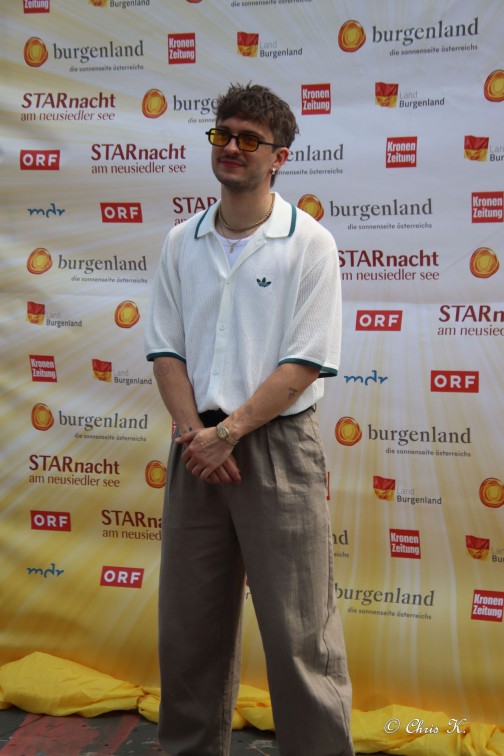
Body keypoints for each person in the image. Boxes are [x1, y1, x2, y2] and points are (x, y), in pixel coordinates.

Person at [145, 82, 354, 756]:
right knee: (188, 631)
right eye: (222, 134)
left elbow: (305, 363)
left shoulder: (309, 243)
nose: (231, 147)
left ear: (279, 156)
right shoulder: (182, 241)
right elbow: (166, 351)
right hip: (195, 446)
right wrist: (195, 436)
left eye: (248, 139)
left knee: (300, 635)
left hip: (276, 445)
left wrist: (228, 433)